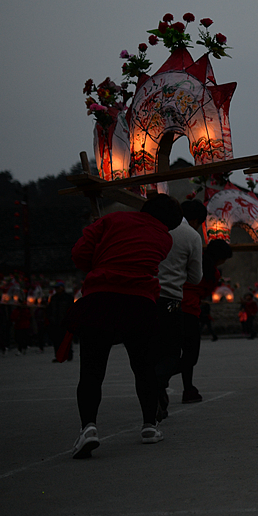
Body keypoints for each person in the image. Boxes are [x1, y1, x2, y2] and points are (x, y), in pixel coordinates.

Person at [68, 194, 181, 458]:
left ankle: (88, 428)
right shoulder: (164, 238)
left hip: (101, 297)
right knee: (143, 367)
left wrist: (99, 261)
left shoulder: (111, 220)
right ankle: (149, 426)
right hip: (140, 302)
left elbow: (79, 254)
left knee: (92, 369)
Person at [153, 199, 204, 422]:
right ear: (196, 220)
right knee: (176, 355)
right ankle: (157, 383)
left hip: (147, 298)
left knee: (153, 352)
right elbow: (195, 277)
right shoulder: (191, 235)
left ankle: (155, 396)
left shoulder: (152, 230)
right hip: (172, 301)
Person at [179, 236, 232, 404]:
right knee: (190, 356)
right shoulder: (212, 273)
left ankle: (176, 387)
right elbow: (206, 291)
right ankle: (173, 382)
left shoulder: (189, 261)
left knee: (171, 353)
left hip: (172, 306)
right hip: (190, 311)